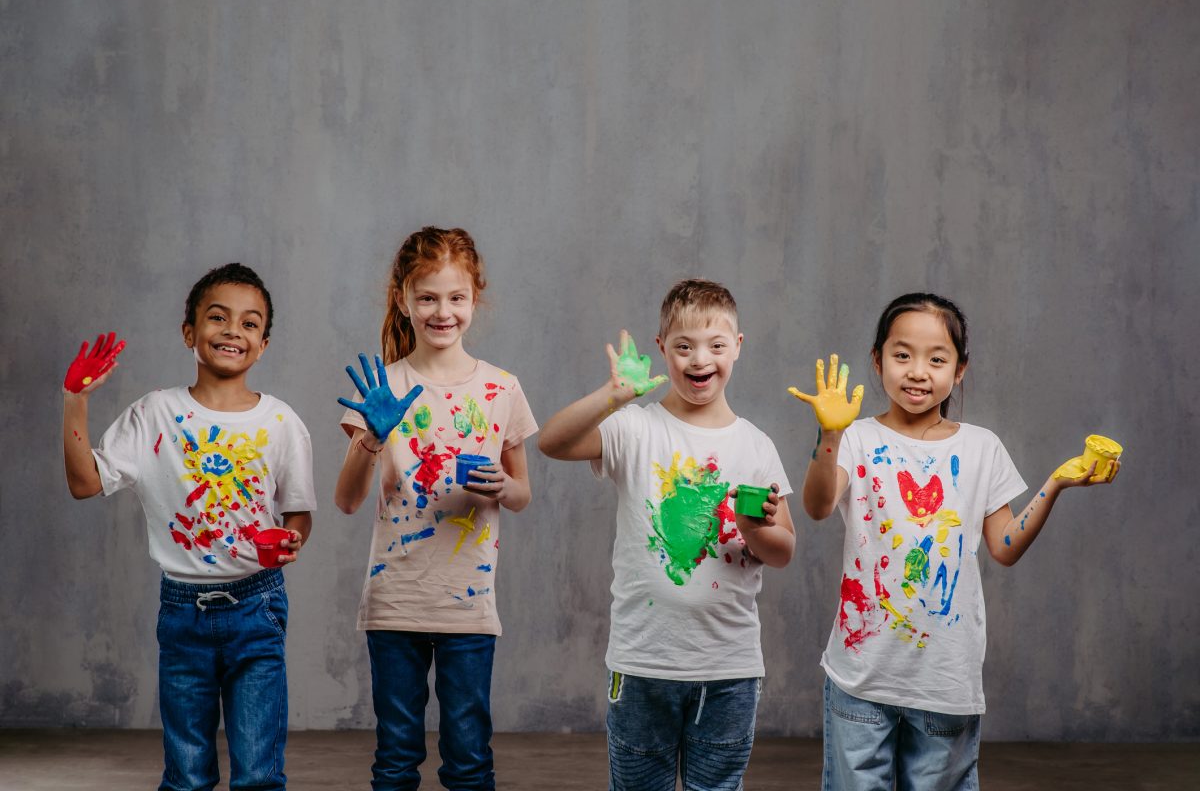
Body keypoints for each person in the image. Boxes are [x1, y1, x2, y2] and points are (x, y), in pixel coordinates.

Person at [791, 292, 1120, 791]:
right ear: (877, 360)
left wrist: (1055, 483)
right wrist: (828, 435)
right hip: (860, 673)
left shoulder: (981, 447)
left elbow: (1005, 546)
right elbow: (816, 506)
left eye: (936, 359)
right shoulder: (856, 437)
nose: (918, 371)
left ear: (959, 370)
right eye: (902, 355)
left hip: (944, 676)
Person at [62, 263, 316, 791]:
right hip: (182, 611)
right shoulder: (155, 413)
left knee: (259, 773)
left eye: (250, 324)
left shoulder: (281, 422)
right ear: (189, 332)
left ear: (263, 344)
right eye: (217, 318)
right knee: (186, 774)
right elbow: (85, 483)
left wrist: (292, 538)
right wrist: (75, 401)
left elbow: (297, 513)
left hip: (258, 606)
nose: (232, 331)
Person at [539, 278, 796, 791]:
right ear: (663, 349)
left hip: (729, 668)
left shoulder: (756, 445)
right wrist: (612, 396)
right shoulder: (635, 428)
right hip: (642, 663)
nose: (701, 359)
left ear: (737, 348)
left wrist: (753, 528)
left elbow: (783, 550)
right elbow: (552, 442)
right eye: (684, 346)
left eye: (716, 345)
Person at [334, 226, 537, 791]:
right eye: (427, 297)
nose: (441, 311)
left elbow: (523, 495)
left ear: (475, 299)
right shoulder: (385, 386)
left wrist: (502, 485)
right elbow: (347, 501)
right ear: (403, 299)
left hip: (468, 607)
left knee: (469, 758)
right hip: (395, 600)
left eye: (455, 298)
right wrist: (371, 437)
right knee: (396, 758)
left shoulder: (502, 389)